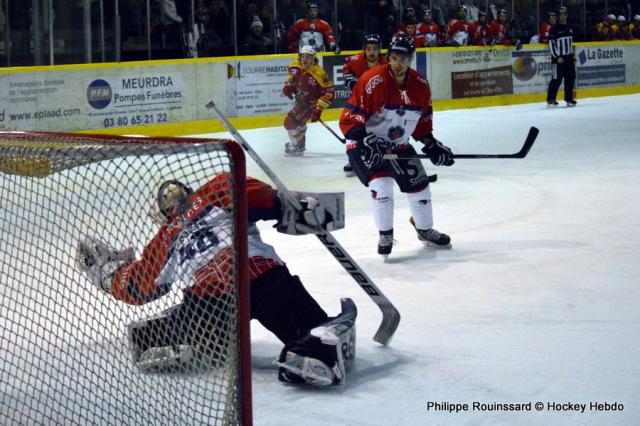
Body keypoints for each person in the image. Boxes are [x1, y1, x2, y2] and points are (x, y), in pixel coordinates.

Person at [76, 173, 356, 387]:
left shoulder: (164, 238)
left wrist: (108, 274)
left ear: (162, 214)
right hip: (261, 279)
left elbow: (138, 288)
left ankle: (156, 336)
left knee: (192, 320)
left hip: (207, 303)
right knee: (313, 330)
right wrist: (290, 204)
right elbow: (260, 199)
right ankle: (310, 351)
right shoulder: (216, 189)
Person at [338, 35, 454, 257]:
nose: (398, 63)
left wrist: (432, 145)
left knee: (420, 187)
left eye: (404, 58)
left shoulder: (420, 85)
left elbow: (421, 122)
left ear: (411, 59)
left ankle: (424, 230)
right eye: (394, 58)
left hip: (399, 145)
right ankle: (385, 234)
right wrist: (362, 139)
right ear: (388, 58)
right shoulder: (372, 81)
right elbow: (349, 118)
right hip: (364, 145)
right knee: (382, 186)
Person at [341, 34, 386, 176]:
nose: (371, 52)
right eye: (368, 49)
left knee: (380, 130)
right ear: (363, 49)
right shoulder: (355, 60)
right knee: (355, 128)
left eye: (374, 49)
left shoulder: (387, 63)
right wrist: (350, 81)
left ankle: (379, 154)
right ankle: (354, 159)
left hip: (380, 103)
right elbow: (346, 72)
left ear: (380, 49)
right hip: (358, 103)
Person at [282, 45, 335, 156]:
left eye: (308, 57)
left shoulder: (319, 73)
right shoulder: (294, 66)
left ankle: (296, 145)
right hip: (301, 101)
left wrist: (318, 108)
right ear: (299, 57)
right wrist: (289, 86)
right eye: (303, 56)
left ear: (313, 58)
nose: (305, 59)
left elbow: (330, 93)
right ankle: (299, 144)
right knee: (295, 123)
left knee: (289, 122)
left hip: (311, 104)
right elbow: (291, 76)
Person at [546, 6, 576, 108]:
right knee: (556, 79)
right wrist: (557, 57)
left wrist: (572, 54)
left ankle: (569, 99)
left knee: (570, 78)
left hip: (568, 58)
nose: (563, 17)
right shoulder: (554, 28)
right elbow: (551, 44)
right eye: (561, 15)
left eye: (564, 14)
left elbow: (570, 43)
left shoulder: (569, 27)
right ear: (558, 16)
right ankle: (551, 100)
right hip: (558, 59)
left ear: (567, 15)